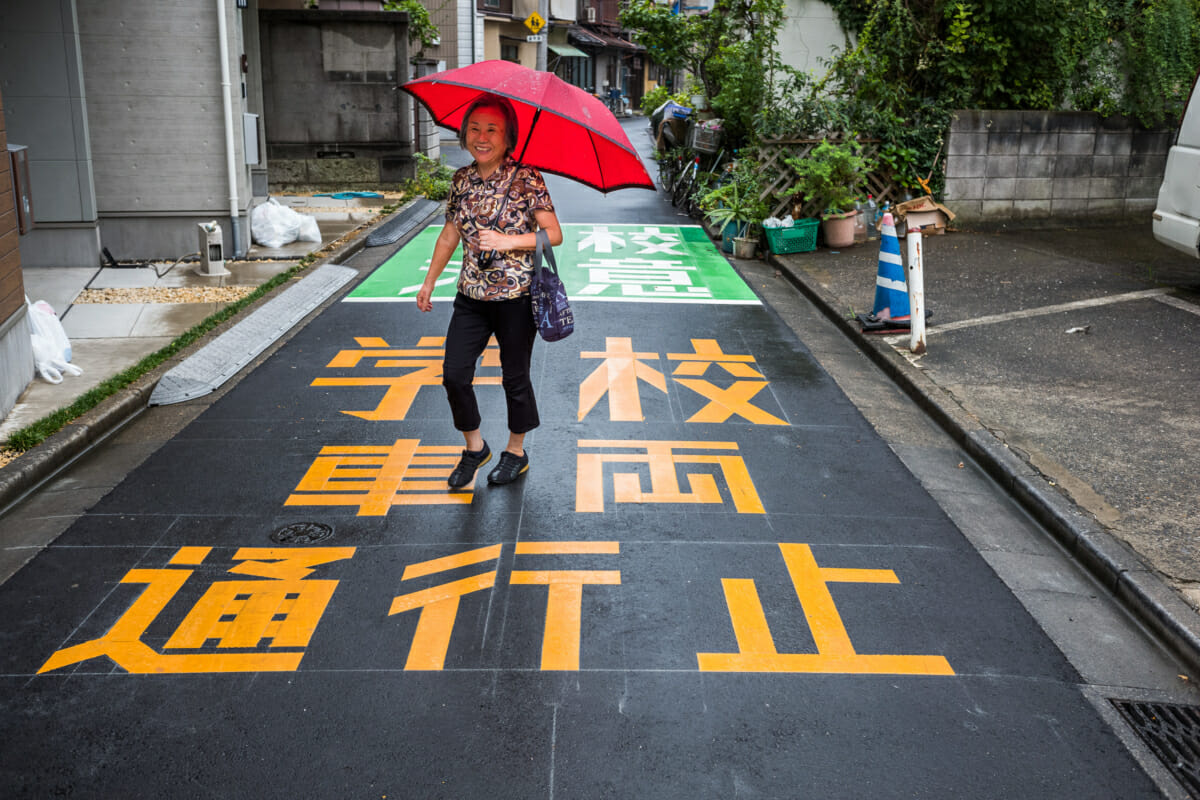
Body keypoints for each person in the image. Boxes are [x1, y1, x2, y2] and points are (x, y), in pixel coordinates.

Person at [416, 93, 563, 488]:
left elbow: (554, 234)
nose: (481, 137)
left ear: (508, 137)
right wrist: (429, 281)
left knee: (515, 377)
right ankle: (474, 447)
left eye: (492, 129)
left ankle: (516, 452)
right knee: (454, 374)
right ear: (464, 135)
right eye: (474, 129)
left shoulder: (527, 178)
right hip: (470, 297)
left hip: (516, 298)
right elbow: (450, 234)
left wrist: (507, 241)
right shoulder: (461, 180)